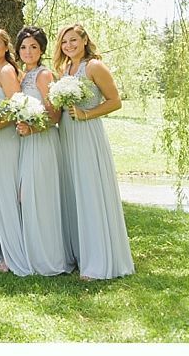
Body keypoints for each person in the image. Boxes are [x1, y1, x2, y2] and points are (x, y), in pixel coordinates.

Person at [54, 23, 134, 280]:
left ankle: (99, 262)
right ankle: (81, 254)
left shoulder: (94, 66)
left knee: (90, 192)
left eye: (73, 40)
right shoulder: (65, 68)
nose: (69, 45)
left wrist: (87, 113)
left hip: (87, 133)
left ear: (85, 40)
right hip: (67, 132)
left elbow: (115, 101)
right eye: (65, 42)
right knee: (74, 192)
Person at [14, 26, 73, 276]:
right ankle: (32, 252)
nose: (28, 52)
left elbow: (55, 114)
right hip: (25, 143)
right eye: (24, 47)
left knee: (40, 197)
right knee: (25, 198)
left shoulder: (43, 75)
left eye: (33, 47)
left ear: (41, 50)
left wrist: (33, 129)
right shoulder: (19, 76)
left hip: (42, 140)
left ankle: (49, 259)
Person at [0, 28, 30, 276]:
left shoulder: (8, 71)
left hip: (6, 141)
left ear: (6, 46)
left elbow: (16, 109)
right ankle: (3, 250)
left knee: (9, 194)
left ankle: (15, 255)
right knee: (0, 194)